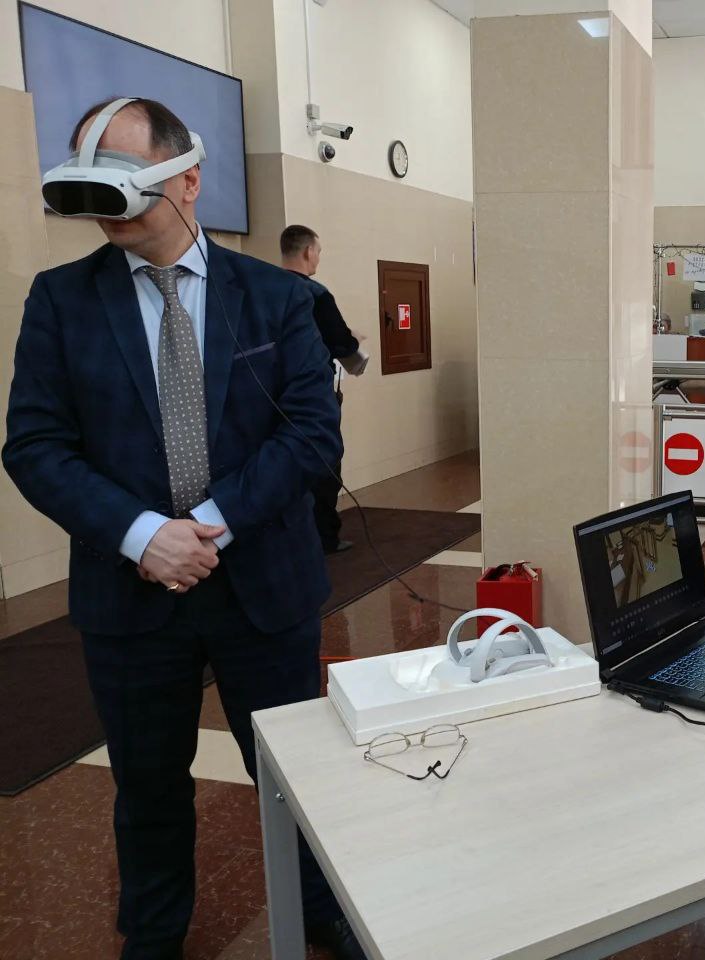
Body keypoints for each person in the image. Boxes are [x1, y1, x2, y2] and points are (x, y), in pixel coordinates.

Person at [3, 98, 365, 960]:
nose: (106, 204)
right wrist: (140, 535)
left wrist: (205, 524)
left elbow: (312, 435)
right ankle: (155, 930)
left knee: (292, 774)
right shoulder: (61, 300)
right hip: (129, 595)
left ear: (188, 180)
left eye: (123, 178)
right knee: (147, 783)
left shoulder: (276, 296)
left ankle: (321, 906)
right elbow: (35, 446)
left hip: (262, 585)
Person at [279, 223, 369, 554]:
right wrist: (353, 339)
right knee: (325, 462)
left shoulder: (263, 288)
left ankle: (286, 537)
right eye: (318, 251)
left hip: (269, 396)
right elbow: (339, 342)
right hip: (312, 396)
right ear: (308, 251)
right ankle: (325, 536)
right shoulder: (314, 294)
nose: (317, 257)